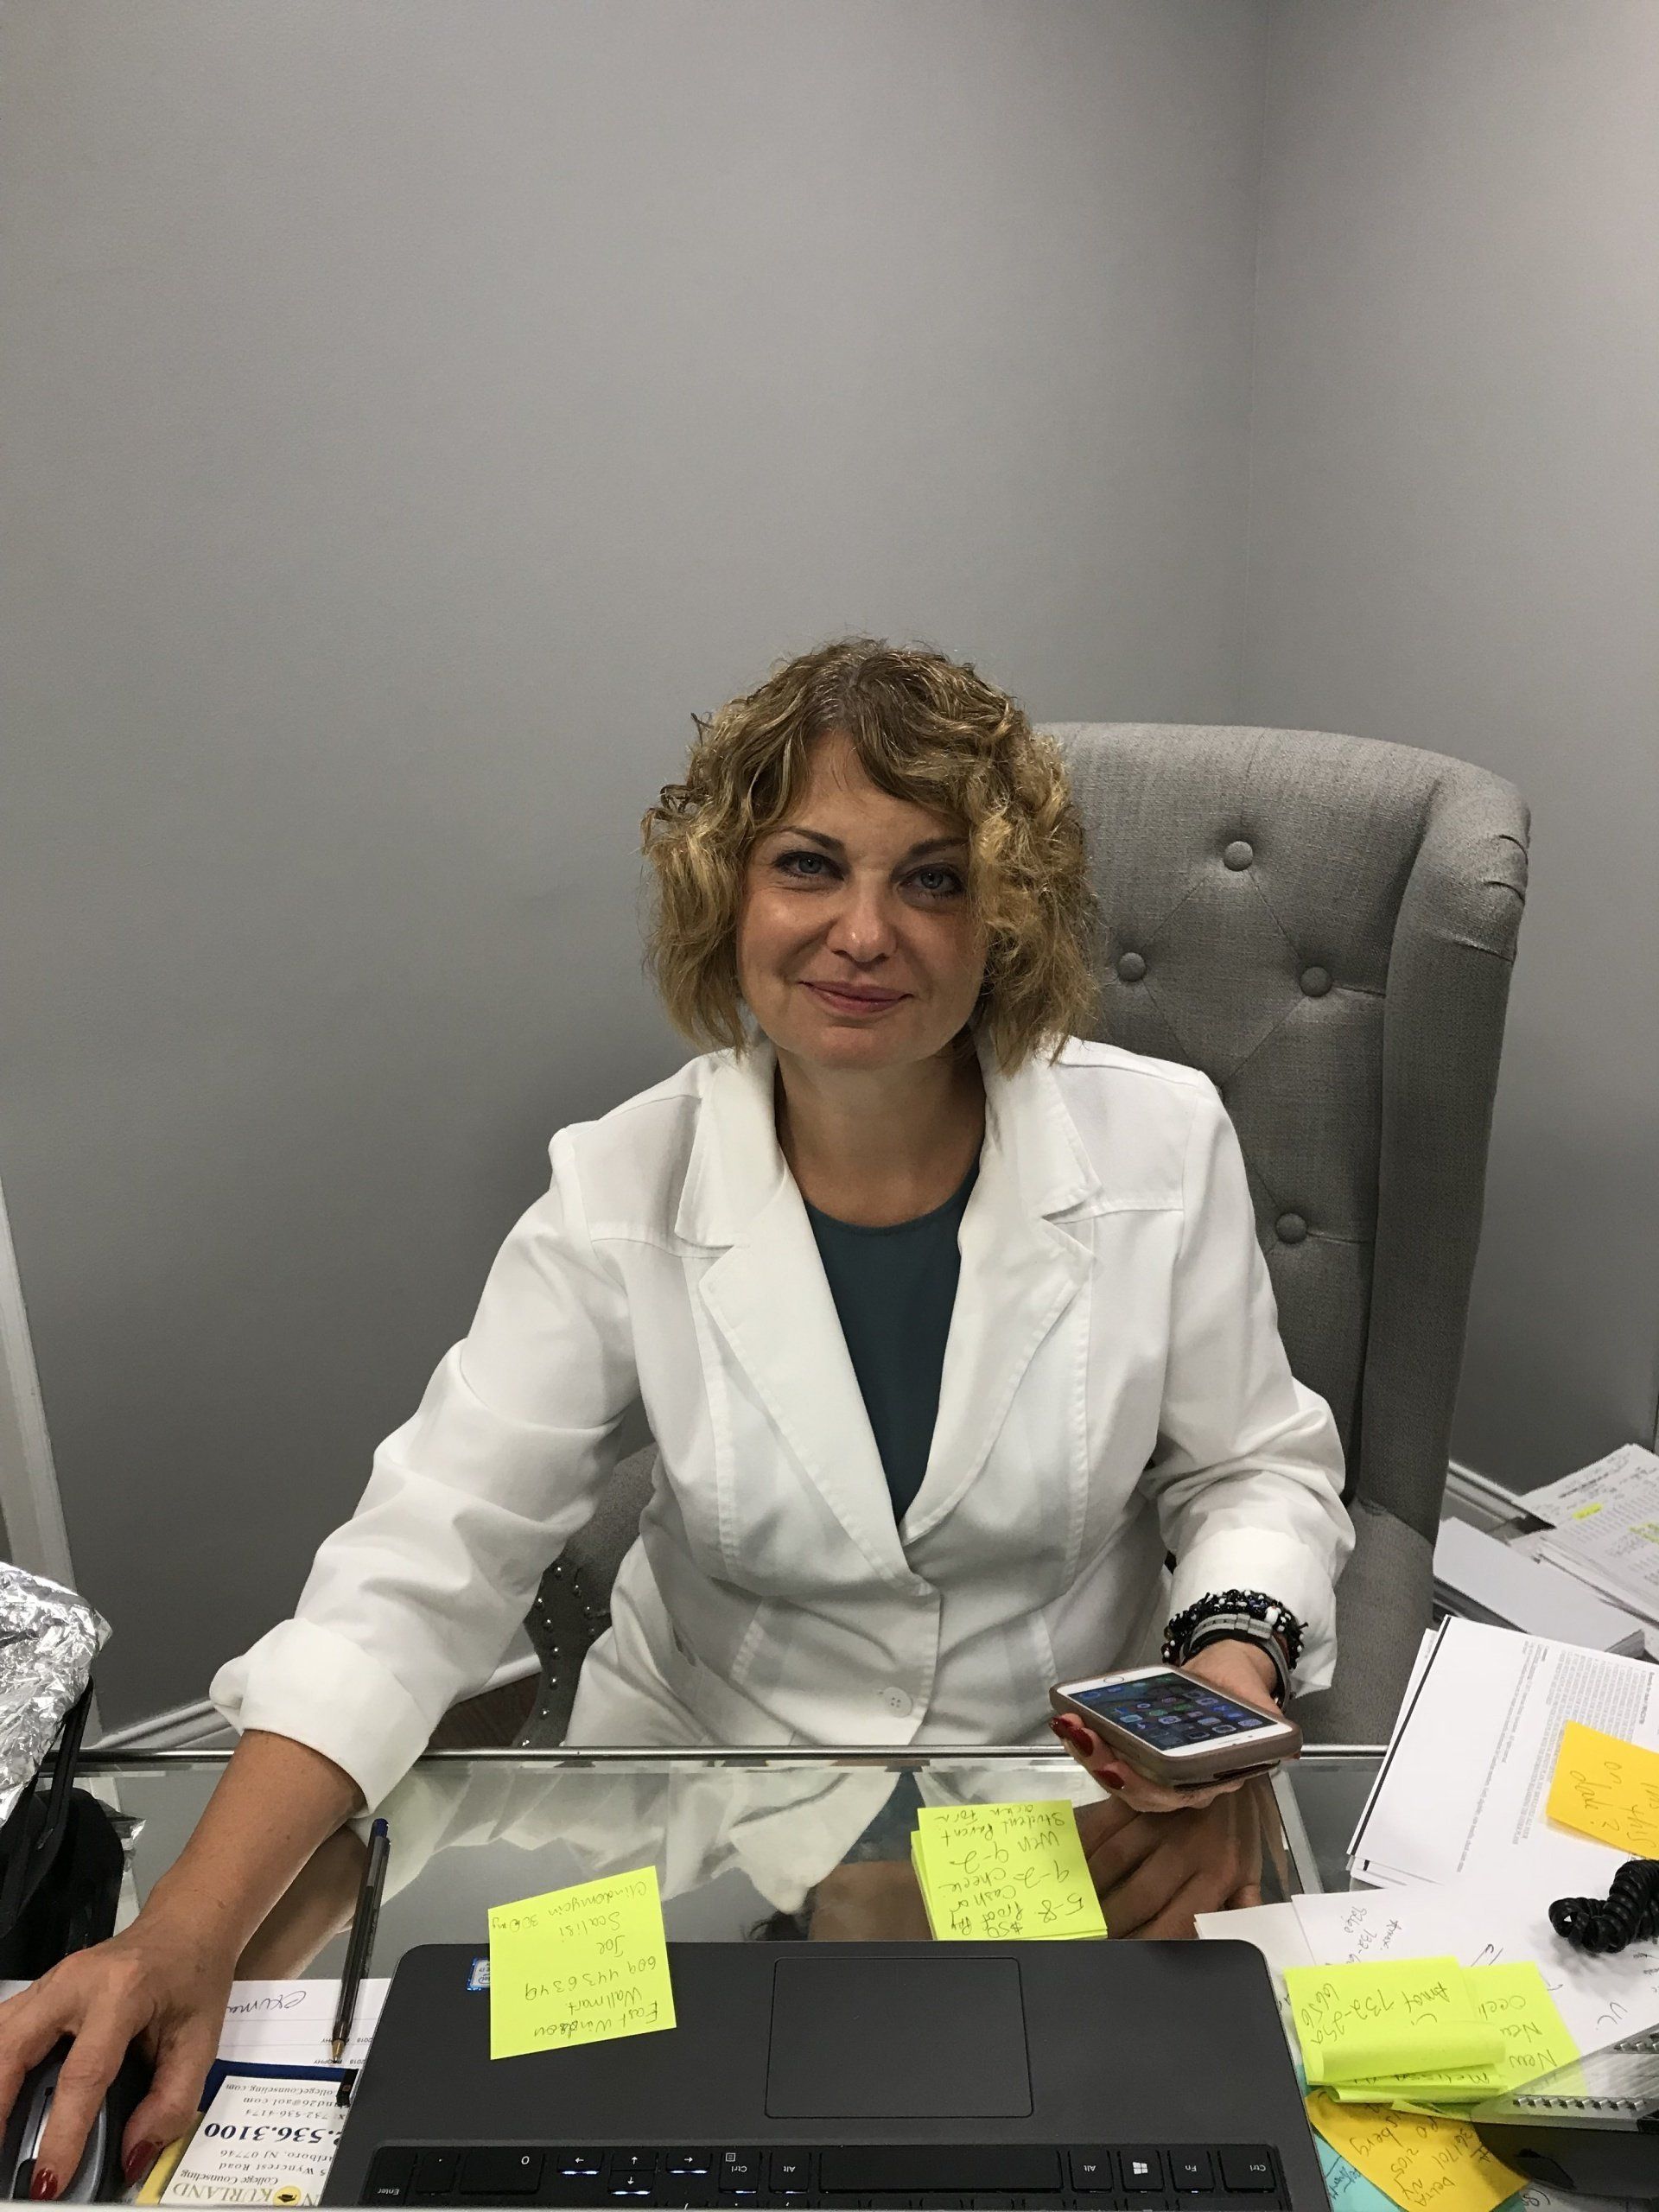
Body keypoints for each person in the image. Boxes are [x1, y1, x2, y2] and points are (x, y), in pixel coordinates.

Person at [0, 635, 1352, 2194]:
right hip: (694, 1791)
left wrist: (1216, 1704)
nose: (863, 932)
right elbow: (422, 1569)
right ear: (729, 892)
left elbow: (1256, 1469)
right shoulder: (619, 1189)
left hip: (1051, 1799)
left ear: (1008, 918)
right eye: (808, 865)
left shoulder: (1158, 1142)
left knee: (1082, 2158)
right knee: (565, 2152)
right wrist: (184, 1935)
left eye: (932, 878)